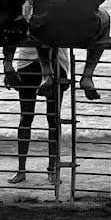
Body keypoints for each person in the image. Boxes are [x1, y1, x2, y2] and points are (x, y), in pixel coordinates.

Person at [8, 47, 70, 185]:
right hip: (28, 62)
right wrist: (8, 66)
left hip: (56, 61)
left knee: (53, 119)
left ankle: (52, 169)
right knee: (26, 117)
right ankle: (21, 170)